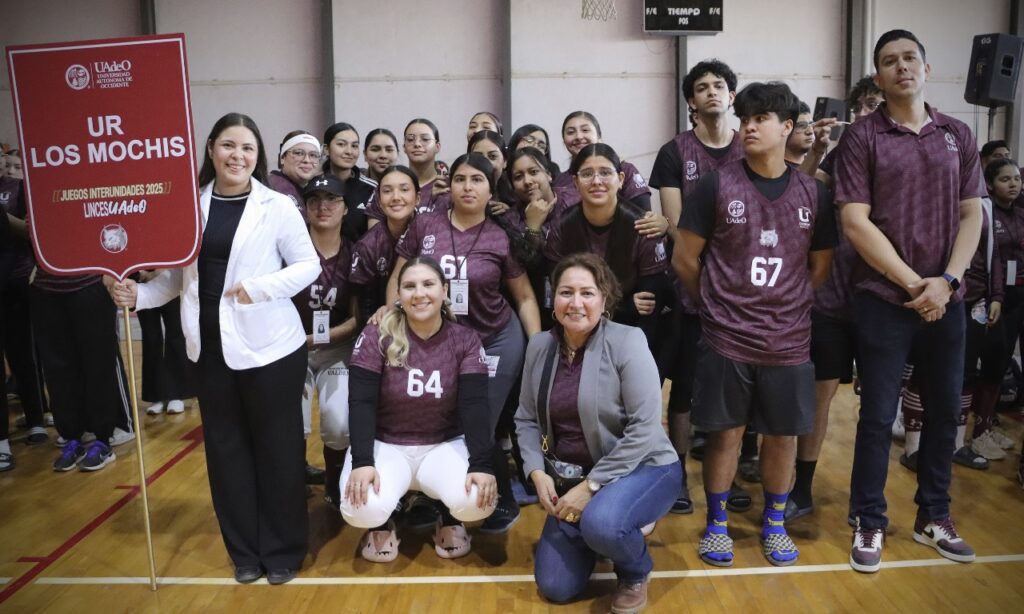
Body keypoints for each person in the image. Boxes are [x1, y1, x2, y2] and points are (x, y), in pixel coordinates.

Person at [109, 112, 320, 585]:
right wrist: (137, 297)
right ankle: (244, 552)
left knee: (278, 449)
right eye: (228, 146)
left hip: (271, 350)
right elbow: (172, 280)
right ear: (210, 150)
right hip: (208, 351)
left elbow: (308, 265)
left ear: (258, 156)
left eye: (247, 148)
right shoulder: (187, 208)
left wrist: (261, 287)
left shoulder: (277, 206)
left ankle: (283, 550)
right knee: (226, 454)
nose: (237, 156)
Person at [836, 30, 983, 573]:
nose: (901, 68)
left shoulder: (957, 135)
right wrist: (913, 284)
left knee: (945, 411)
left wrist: (946, 280)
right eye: (889, 62)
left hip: (948, 298)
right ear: (877, 76)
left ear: (926, 67)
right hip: (883, 300)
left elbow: (973, 214)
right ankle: (869, 520)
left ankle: (933, 517)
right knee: (877, 416)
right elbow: (855, 220)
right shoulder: (861, 137)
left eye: (909, 58)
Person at [675, 81, 836, 568]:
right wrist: (714, 304)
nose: (748, 126)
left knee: (783, 436)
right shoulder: (717, 184)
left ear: (787, 127)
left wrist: (791, 304)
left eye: (760, 118)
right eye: (744, 118)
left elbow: (821, 265)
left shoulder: (812, 191)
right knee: (726, 435)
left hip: (788, 340)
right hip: (727, 336)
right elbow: (685, 258)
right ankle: (718, 523)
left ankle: (774, 523)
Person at [515, 253, 680, 612]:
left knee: (603, 523)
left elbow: (645, 428)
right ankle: (610, 524)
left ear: (604, 300)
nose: (576, 303)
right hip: (573, 479)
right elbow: (526, 419)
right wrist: (536, 470)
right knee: (556, 587)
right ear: (552, 298)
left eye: (587, 293)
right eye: (566, 292)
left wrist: (591, 488)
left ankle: (635, 569)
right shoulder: (540, 346)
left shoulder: (628, 341)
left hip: (645, 467)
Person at [390, 152, 542, 533]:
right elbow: (399, 275)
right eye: (460, 179)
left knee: (480, 421)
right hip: (438, 341)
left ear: (491, 189)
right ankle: (436, 494)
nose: (467, 186)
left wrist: (538, 345)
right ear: (449, 184)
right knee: (437, 416)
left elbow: (523, 296)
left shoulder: (500, 233)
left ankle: (492, 498)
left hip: (494, 339)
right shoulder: (425, 224)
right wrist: (391, 315)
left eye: (477, 179)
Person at [342, 257, 496, 562]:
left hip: (442, 445)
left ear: (444, 290)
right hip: (387, 445)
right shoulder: (376, 336)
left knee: (478, 500)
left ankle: (448, 515)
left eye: (428, 284)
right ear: (398, 295)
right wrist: (362, 461)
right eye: (409, 286)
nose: (419, 293)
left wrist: (481, 463)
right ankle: (384, 519)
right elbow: (361, 402)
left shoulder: (464, 339)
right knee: (362, 509)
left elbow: (475, 405)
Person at [649, 58, 745, 514]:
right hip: (693, 281)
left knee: (736, 385)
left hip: (745, 286)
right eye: (702, 87)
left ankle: (731, 474)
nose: (711, 92)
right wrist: (710, 261)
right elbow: (673, 222)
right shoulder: (675, 152)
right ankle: (679, 475)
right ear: (691, 101)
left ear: (732, 96)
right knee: (685, 387)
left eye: (719, 85)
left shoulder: (751, 146)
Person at [544, 144, 670, 351]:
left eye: (605, 173)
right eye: (587, 174)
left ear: (621, 179)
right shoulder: (561, 227)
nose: (596, 181)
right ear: (575, 182)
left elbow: (649, 308)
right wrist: (627, 306)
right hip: (577, 326)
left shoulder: (642, 227)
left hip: (632, 332)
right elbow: (560, 295)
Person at [293, 174, 360, 509]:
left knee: (337, 422)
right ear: (304, 208)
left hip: (336, 349)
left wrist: (318, 338)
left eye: (331, 200)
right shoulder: (289, 249)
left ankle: (335, 482)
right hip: (290, 351)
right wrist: (294, 342)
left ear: (345, 208)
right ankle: (292, 482)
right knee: (293, 423)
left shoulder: (355, 253)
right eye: (314, 200)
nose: (323, 207)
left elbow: (357, 318)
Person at [969, 158, 1023, 459]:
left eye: (1017, 178)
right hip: (994, 298)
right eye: (1006, 179)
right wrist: (995, 296)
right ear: (989, 184)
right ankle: (975, 432)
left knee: (1002, 365)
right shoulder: (984, 214)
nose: (1013, 184)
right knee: (990, 362)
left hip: (1018, 298)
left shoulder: (1022, 214)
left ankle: (986, 426)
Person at [350, 166, 420, 324]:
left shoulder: (432, 231)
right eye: (387, 191)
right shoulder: (367, 245)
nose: (396, 197)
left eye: (404, 189)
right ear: (379, 201)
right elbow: (365, 304)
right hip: (387, 320)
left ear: (418, 198)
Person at [555, 111, 652, 211]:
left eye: (585, 130)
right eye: (571, 132)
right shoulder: (559, 181)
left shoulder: (625, 169)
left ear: (599, 137)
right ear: (564, 141)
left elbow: (645, 218)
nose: (578, 136)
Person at [137, 268, 196, 416]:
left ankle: (177, 393)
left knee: (175, 334)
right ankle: (156, 395)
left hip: (170, 276)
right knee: (151, 337)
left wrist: (159, 271)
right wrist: (140, 273)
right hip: (141, 281)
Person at [323, 122, 377, 240]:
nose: (349, 151)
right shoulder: (314, 185)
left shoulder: (372, 189)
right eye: (341, 144)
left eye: (354, 146)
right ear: (326, 149)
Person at [268, 130, 321, 215]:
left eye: (313, 155)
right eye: (299, 153)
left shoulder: (312, 190)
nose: (307, 160)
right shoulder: (274, 188)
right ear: (282, 158)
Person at [784, 102, 815, 166]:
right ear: (786, 128)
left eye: (811, 124)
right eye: (801, 126)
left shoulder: (814, 167)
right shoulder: (776, 170)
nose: (810, 131)